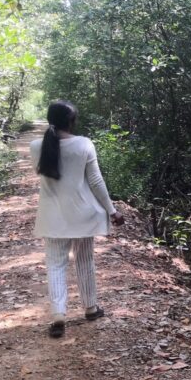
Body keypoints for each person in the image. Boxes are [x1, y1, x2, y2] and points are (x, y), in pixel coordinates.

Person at [29, 101, 125, 338]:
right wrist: (112, 210)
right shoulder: (84, 144)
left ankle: (58, 315)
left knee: (55, 264)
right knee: (84, 261)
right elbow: (96, 182)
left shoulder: (36, 147)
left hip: (53, 218)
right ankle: (91, 308)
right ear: (71, 121)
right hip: (83, 215)